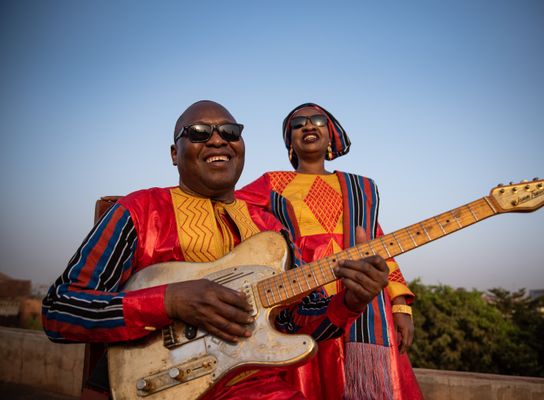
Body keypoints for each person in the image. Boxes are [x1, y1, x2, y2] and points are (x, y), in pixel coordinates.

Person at [42, 100, 391, 400]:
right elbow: (59, 312)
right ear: (174, 153)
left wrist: (349, 302)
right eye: (197, 132)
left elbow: (298, 323)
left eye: (229, 131)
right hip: (152, 386)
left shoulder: (272, 228)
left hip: (256, 387)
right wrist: (169, 302)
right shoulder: (140, 210)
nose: (216, 140)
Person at [236, 103, 423, 400]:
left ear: (330, 133)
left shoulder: (359, 187)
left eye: (317, 120)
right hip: (305, 302)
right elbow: (227, 206)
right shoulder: (272, 183)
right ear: (291, 142)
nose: (308, 126)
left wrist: (400, 305)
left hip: (364, 300)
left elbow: (379, 246)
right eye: (298, 124)